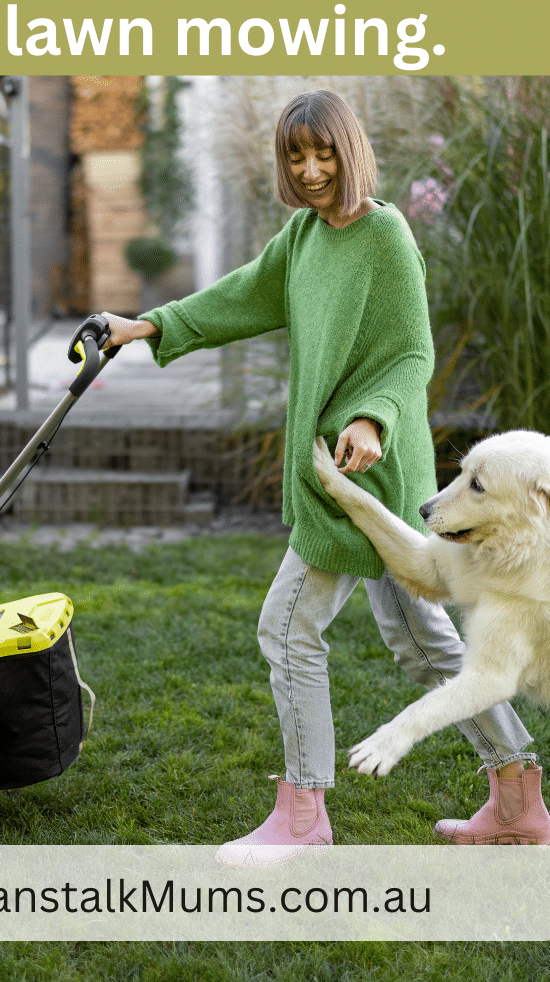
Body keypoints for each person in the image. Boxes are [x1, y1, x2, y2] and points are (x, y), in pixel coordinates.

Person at [102, 90, 550, 865]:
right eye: (295, 156)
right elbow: (240, 294)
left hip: (366, 475)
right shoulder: (302, 238)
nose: (310, 171)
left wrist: (371, 418)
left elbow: (412, 353)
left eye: (324, 154)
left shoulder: (384, 234)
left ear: (350, 153)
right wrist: (147, 326)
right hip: (339, 476)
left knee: (286, 628)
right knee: (424, 644)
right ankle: (518, 801)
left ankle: (304, 816)